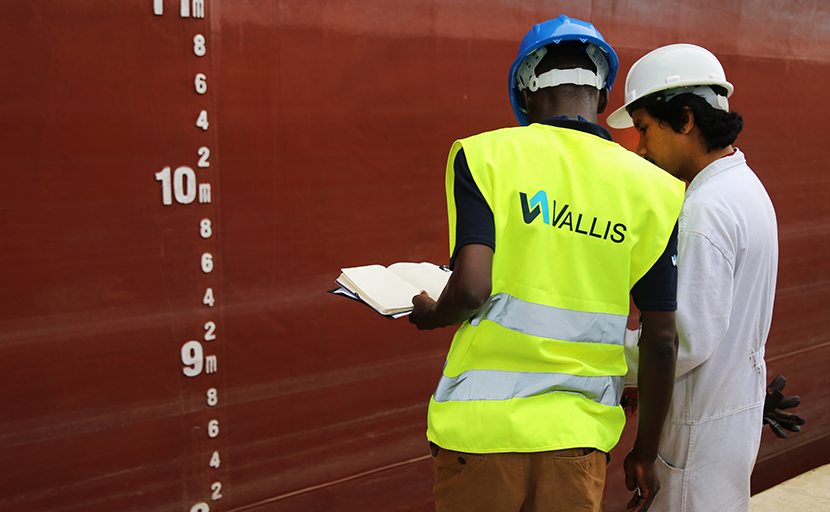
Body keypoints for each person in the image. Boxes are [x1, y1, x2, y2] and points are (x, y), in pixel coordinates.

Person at [409, 15, 686, 512]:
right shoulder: (656, 191)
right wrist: (645, 454)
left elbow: (471, 290)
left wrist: (431, 314)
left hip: (479, 436)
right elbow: (662, 338)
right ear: (602, 98)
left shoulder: (485, 156)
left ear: (526, 94)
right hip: (576, 443)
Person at [607, 44, 779, 511]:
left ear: (684, 119)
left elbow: (683, 340)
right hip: (728, 419)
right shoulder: (746, 188)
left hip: (695, 432)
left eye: (643, 129)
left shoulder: (704, 211)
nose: (640, 148)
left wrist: (595, 353)